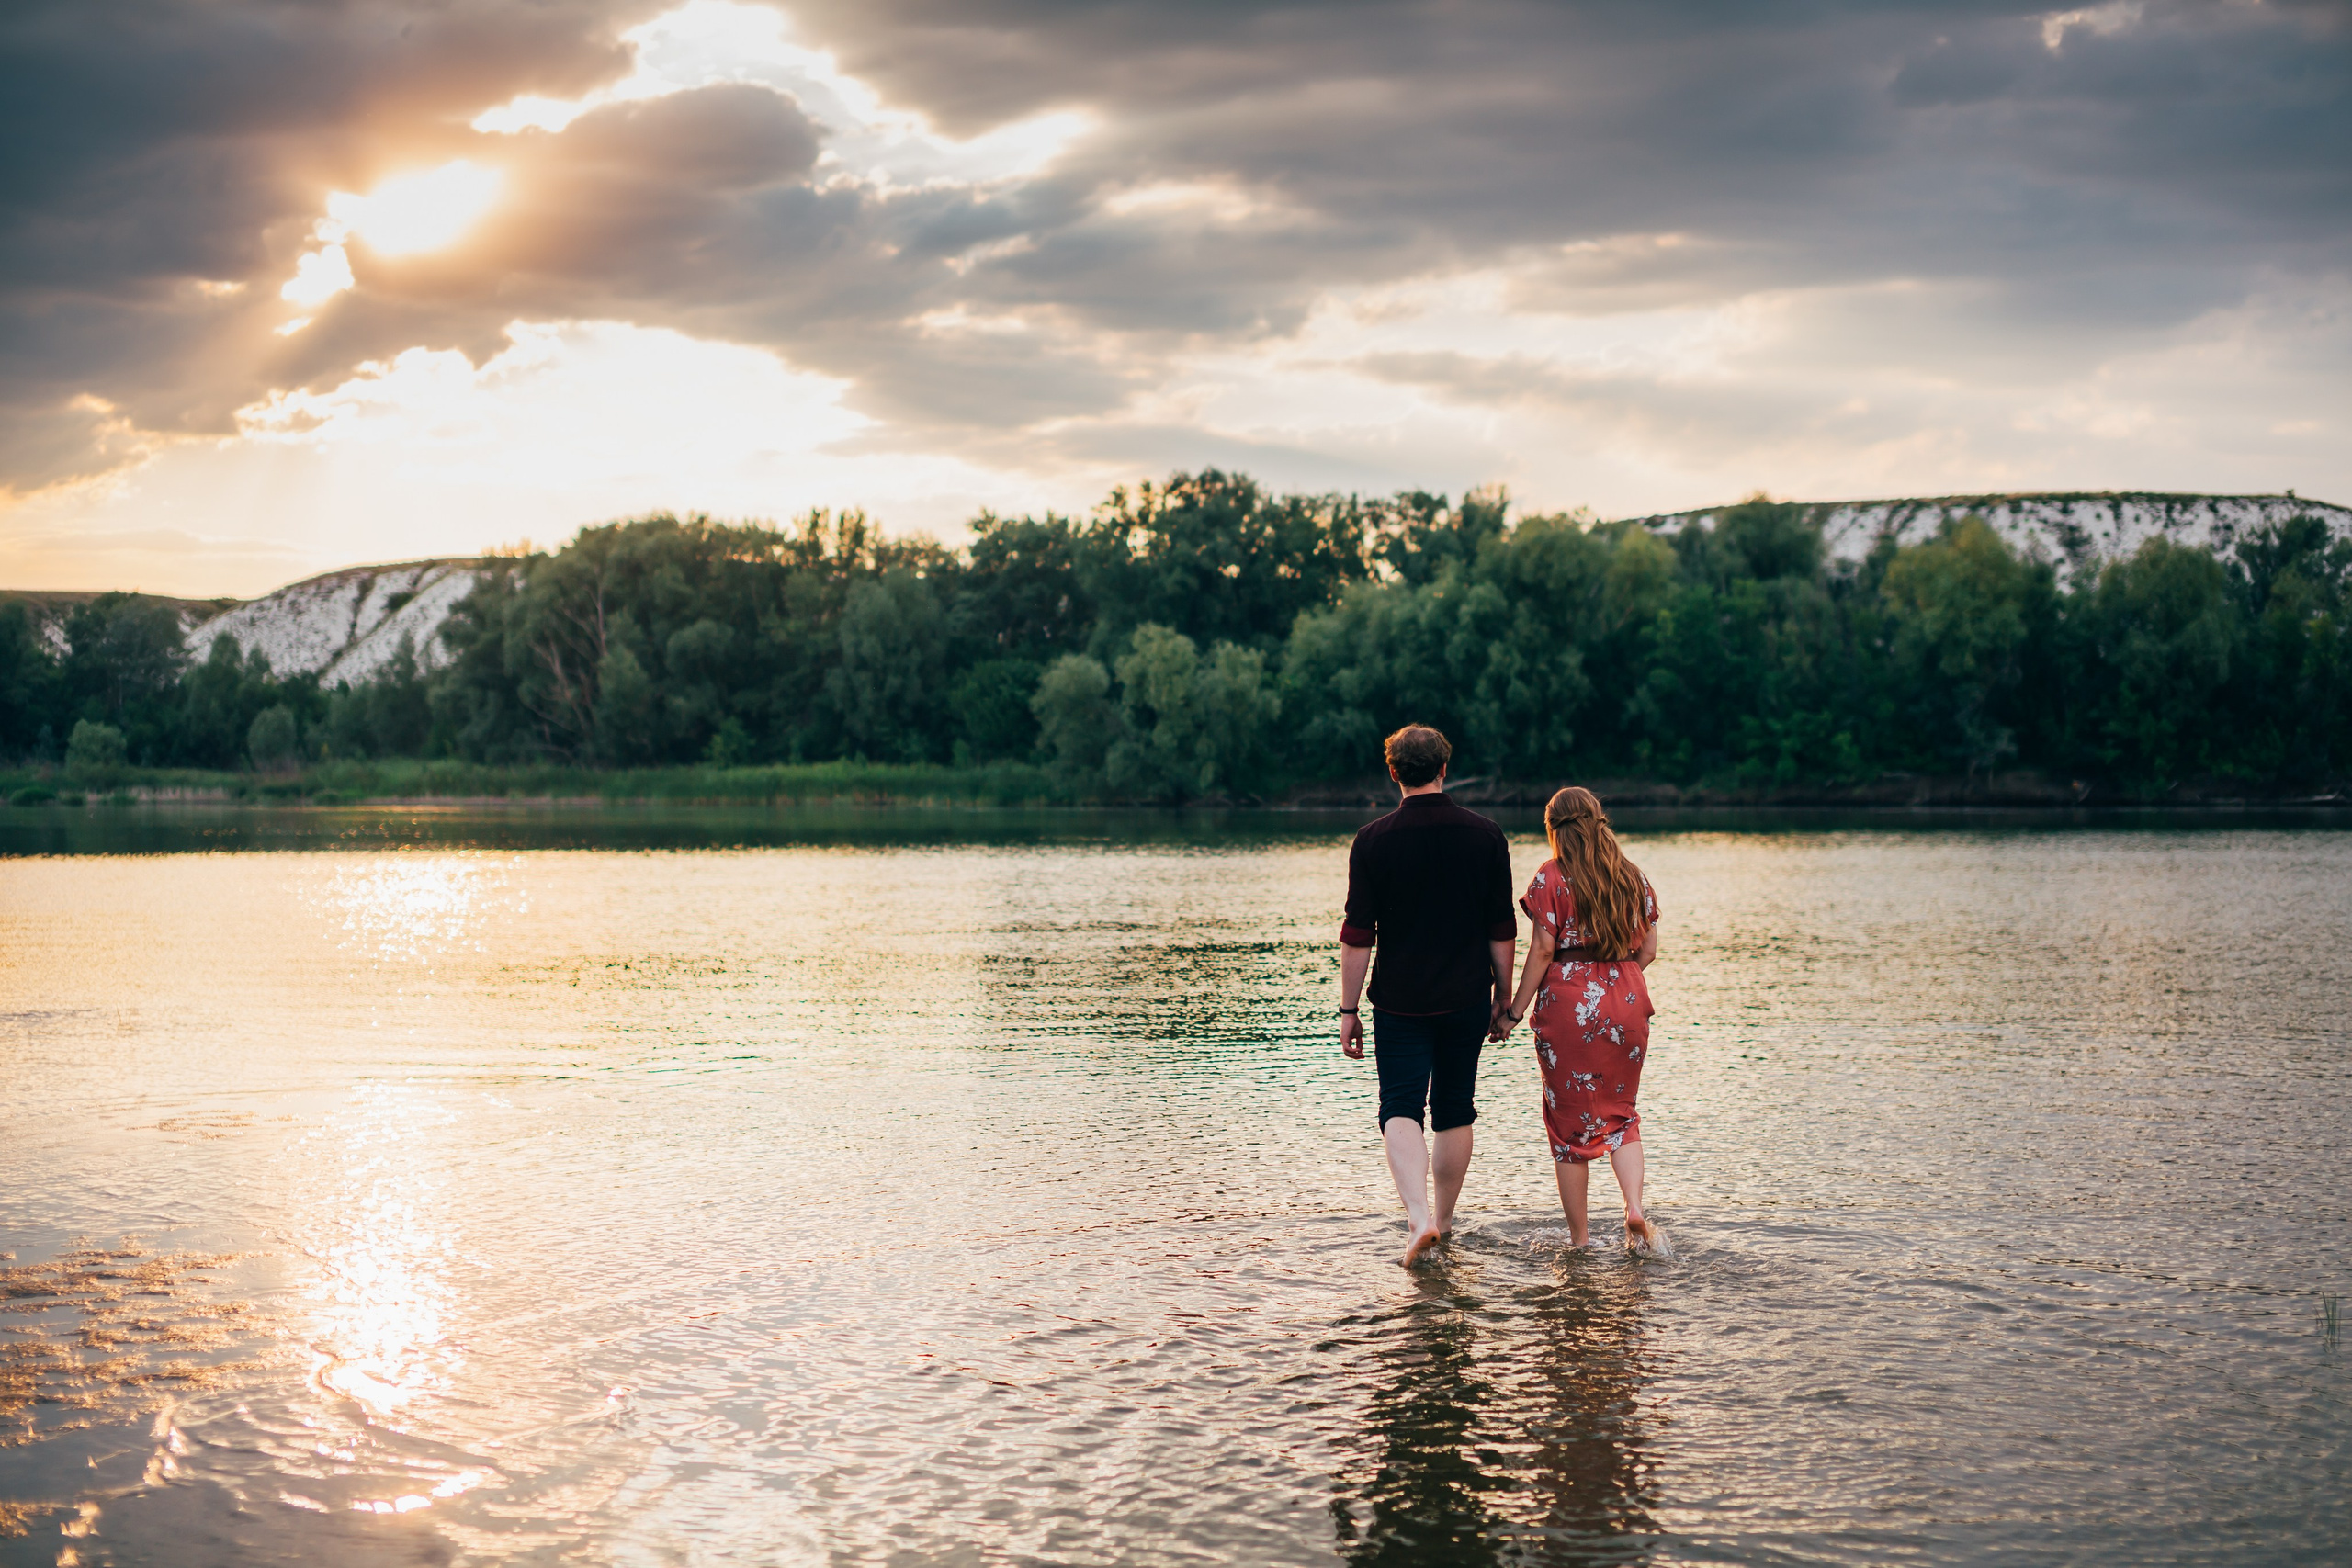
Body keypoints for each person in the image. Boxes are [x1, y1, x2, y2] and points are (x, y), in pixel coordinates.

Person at [1337, 725, 1517, 1267]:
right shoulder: (1486, 835)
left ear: (1394, 773)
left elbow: (1357, 933)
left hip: (1398, 1000)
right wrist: (1504, 1000)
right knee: (1455, 1107)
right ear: (1444, 769)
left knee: (1399, 1105)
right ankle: (1444, 1219)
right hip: (1466, 996)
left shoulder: (1372, 840)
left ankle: (1418, 1220)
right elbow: (1502, 929)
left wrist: (1348, 1011)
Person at [1490, 786, 1665, 1255]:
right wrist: (1615, 982)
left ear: (1554, 830)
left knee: (1568, 1129)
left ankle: (1581, 1242)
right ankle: (1633, 1209)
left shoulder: (1551, 877)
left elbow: (1544, 950)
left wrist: (1511, 1011)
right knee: (1622, 1115)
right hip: (1627, 1002)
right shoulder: (1632, 876)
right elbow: (1647, 950)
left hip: (1570, 1008)